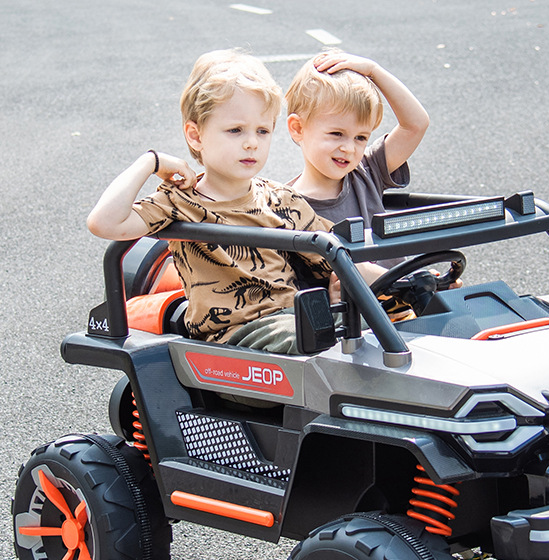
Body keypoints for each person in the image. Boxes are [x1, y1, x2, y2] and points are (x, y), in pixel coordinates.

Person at [87, 49, 383, 353]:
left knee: (377, 321)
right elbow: (104, 222)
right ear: (196, 136)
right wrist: (150, 162)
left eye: (262, 130)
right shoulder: (179, 200)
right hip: (233, 340)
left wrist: (402, 281)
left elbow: (341, 256)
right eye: (235, 130)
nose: (251, 142)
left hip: (295, 319)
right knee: (318, 337)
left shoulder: (281, 199)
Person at [284, 50, 429, 241]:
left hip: (408, 272)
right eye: (337, 134)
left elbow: (416, 125)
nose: (349, 149)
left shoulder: (368, 170)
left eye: (360, 137)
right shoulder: (286, 208)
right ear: (298, 128)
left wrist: (373, 71)